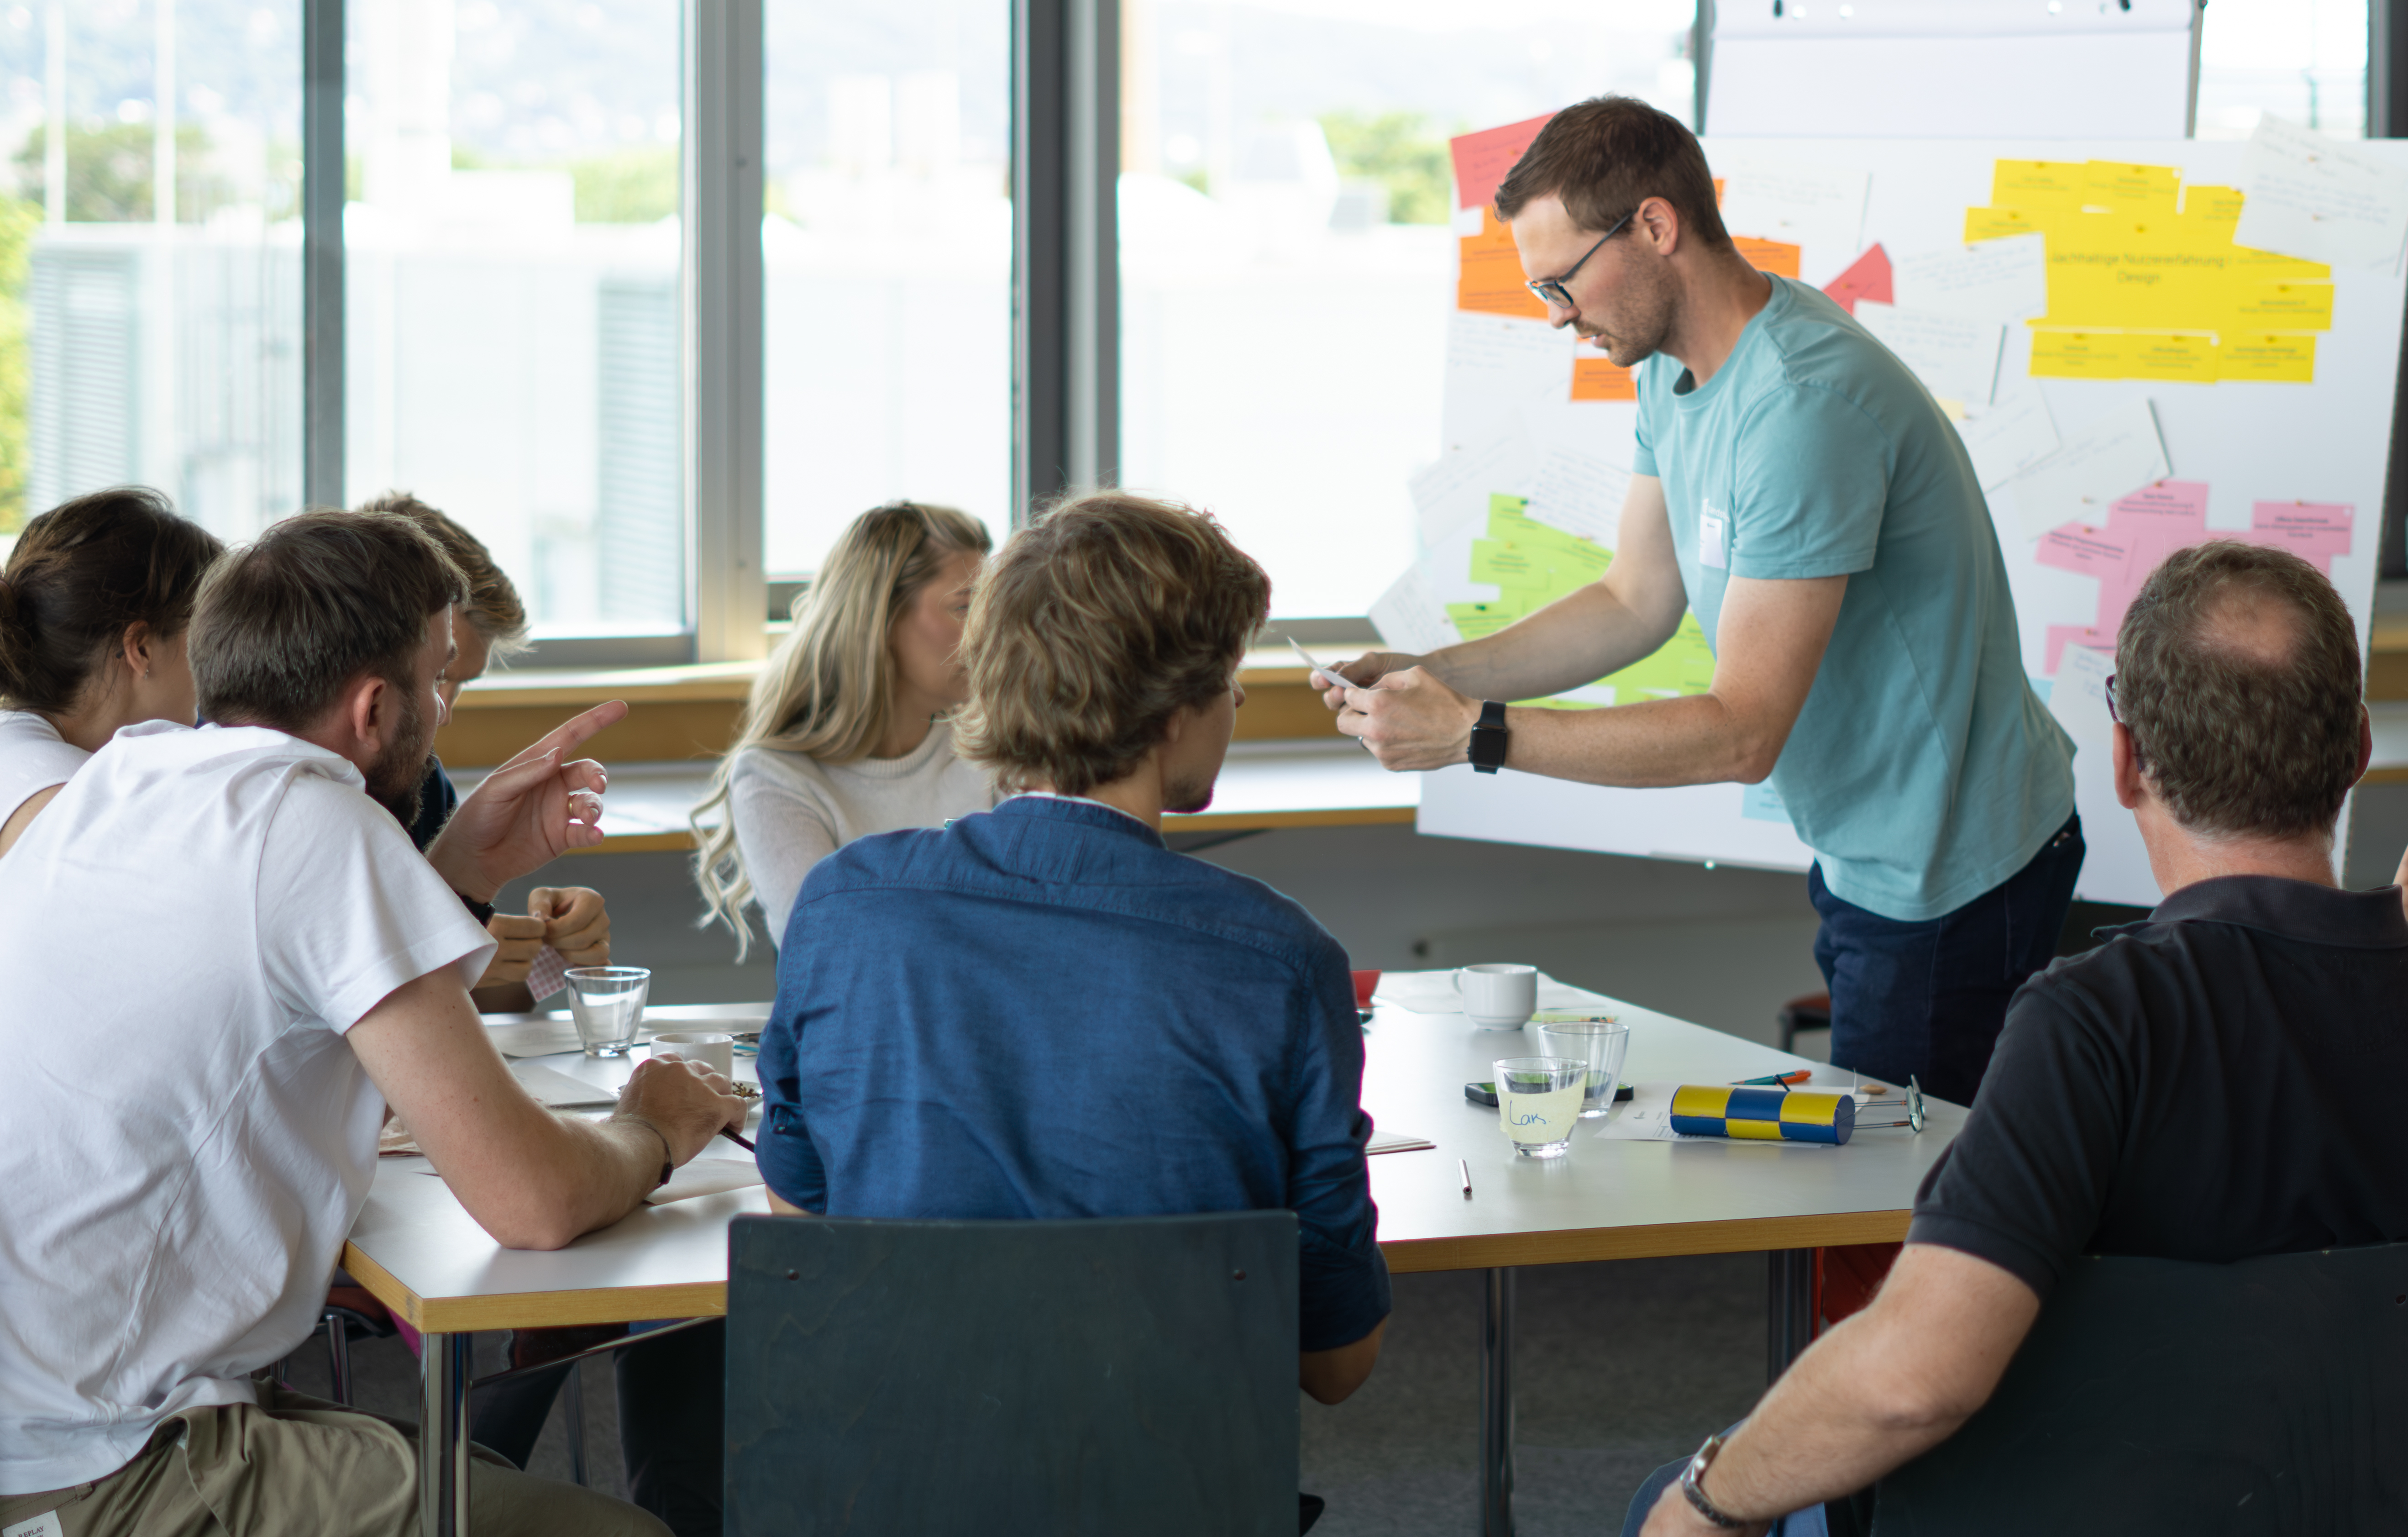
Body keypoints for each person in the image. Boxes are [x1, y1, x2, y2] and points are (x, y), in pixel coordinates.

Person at [1622, 542, 2408, 1537]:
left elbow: (1915, 1379)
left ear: (2125, 762)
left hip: (2089, 1498)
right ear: (2355, 751)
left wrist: (1704, 1497)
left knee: (1676, 1495)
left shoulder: (2098, 1022)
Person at [1322, 96, 2081, 1107]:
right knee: (1877, 1165)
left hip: (1957, 865)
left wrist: (1475, 735)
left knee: (1907, 1188)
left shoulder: (1802, 409)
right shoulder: (1672, 373)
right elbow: (1632, 600)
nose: (1556, 315)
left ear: (1654, 226)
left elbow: (1741, 734)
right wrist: (1431, 676)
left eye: (1561, 282)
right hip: (1871, 845)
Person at [0, 508, 746, 1537]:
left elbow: (286, 986)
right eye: (441, 679)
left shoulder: (131, 778)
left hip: (55, 1413)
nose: (444, 709)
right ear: (373, 704)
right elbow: (532, 1202)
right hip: (109, 1458)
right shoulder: (315, 824)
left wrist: (465, 865)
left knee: (480, 1476)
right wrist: (653, 1127)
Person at [757, 490, 1391, 1417]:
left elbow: (806, 1221)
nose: (1239, 698)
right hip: (1175, 1473)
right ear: (1173, 710)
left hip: (885, 1469)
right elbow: (1336, 1364)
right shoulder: (1282, 960)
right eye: (1227, 675)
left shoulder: (842, 906)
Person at [692, 500, 994, 956]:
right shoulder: (775, 778)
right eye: (965, 606)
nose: (990, 632)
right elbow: (832, 952)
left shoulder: (993, 749)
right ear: (882, 617)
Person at [357, 490, 610, 1011]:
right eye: (438, 678)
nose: (445, 711)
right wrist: (440, 961)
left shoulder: (425, 787)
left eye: (461, 684)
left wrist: (551, 953)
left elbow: (465, 1012)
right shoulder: (286, 801)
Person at [0, 487, 223, 857]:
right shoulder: (86, 816)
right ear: (141, 648)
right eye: (205, 637)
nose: (215, 660)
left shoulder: (18, 751)